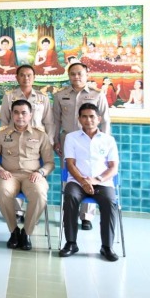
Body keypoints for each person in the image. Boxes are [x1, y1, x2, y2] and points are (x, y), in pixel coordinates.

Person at [0, 100, 54, 250]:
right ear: (11, 114)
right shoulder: (1, 133)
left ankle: (26, 232)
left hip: (32, 176)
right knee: (2, 192)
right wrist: (0, 170)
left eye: (24, 112)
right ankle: (14, 231)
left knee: (39, 194)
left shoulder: (40, 134)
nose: (20, 116)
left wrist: (41, 172)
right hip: (9, 175)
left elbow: (50, 162)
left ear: (30, 115)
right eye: (16, 112)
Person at [59, 104, 120, 262]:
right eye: (84, 116)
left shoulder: (108, 140)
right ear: (79, 119)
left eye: (92, 116)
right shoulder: (71, 137)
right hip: (77, 181)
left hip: (102, 182)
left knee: (110, 201)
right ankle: (71, 243)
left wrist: (96, 180)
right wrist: (83, 181)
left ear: (99, 119)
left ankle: (106, 246)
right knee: (70, 197)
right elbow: (70, 164)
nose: (88, 120)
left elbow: (113, 168)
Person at [53, 62, 110, 230]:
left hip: (91, 141)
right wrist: (55, 140)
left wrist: (104, 142)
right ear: (68, 75)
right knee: (68, 175)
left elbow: (105, 120)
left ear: (87, 74)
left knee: (91, 172)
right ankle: (68, 213)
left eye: (80, 73)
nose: (76, 77)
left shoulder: (97, 94)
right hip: (68, 141)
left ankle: (86, 216)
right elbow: (55, 120)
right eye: (72, 74)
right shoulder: (60, 95)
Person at [0, 65, 56, 222]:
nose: (26, 78)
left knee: (35, 178)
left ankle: (33, 211)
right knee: (14, 172)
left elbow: (49, 123)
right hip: (14, 142)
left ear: (34, 77)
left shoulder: (42, 98)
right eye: (22, 75)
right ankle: (17, 211)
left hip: (36, 145)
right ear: (17, 77)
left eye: (29, 75)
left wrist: (48, 143)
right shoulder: (9, 97)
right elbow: (4, 121)